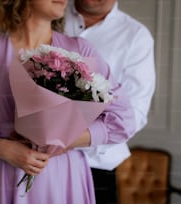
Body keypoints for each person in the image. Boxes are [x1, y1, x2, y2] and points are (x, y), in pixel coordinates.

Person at [0, 0, 136, 203]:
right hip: (3, 173)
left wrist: (65, 139)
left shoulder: (80, 50)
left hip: (62, 175)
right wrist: (2, 148)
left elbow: (124, 121)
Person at [64, 0, 156, 203]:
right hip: (31, 162)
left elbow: (133, 115)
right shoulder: (46, 12)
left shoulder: (136, 36)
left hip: (95, 169)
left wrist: (64, 140)